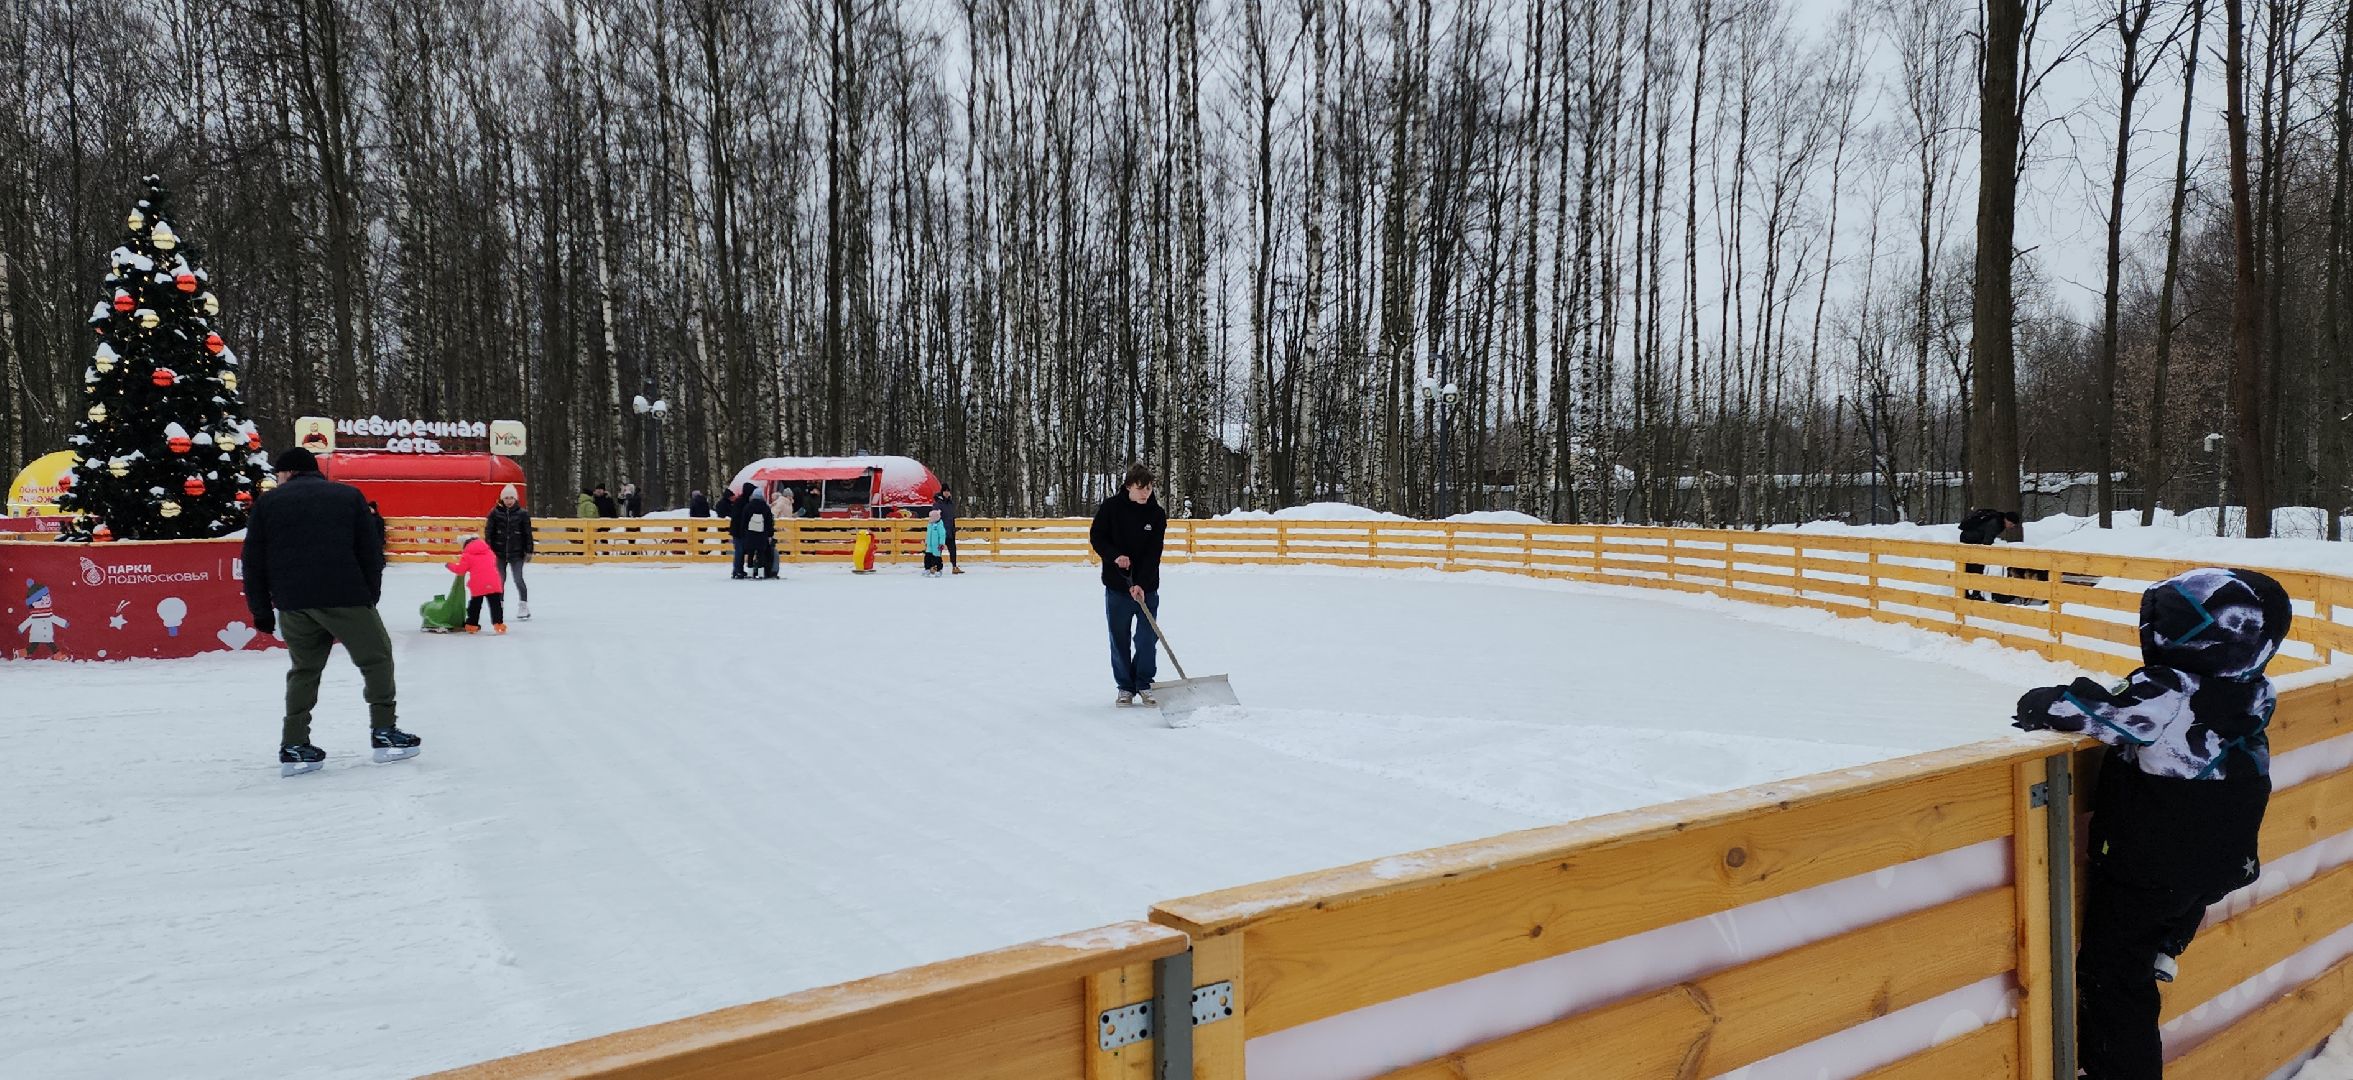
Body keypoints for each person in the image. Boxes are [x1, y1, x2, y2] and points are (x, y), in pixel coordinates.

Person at [2012, 568, 2290, 1080]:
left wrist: (2040, 703)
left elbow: (2098, 713)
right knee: (2180, 902)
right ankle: (2166, 945)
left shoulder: (2169, 690)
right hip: (2225, 853)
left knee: (2113, 975)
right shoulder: (2253, 689)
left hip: (2154, 859)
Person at [241, 447, 421, 777]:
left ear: (287, 473)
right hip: (345, 595)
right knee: (376, 658)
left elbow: (253, 561)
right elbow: (370, 551)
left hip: (293, 602)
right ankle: (384, 730)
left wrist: (261, 609)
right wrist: (370, 594)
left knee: (304, 670)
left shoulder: (268, 503)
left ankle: (294, 743)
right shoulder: (348, 496)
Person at [1089, 464, 1167, 707]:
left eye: (1149, 488)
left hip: (1147, 588)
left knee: (1146, 638)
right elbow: (1097, 537)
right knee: (1119, 638)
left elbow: (1154, 553)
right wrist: (1115, 556)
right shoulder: (1111, 508)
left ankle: (1144, 683)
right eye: (1140, 488)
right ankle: (1125, 686)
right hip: (1117, 586)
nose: (1145, 493)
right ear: (1128, 487)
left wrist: (1141, 583)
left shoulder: (1156, 514)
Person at [484, 484, 533, 620]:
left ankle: (523, 605)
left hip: (517, 553)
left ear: (515, 499)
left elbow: (527, 534)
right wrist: (488, 549)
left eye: (511, 498)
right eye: (506, 498)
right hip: (498, 553)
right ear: (502, 499)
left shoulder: (522, 514)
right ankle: (499, 605)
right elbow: (489, 532)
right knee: (499, 580)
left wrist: (529, 551)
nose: (509, 501)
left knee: (518, 579)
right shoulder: (494, 513)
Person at [1958, 508, 2023, 603]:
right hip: (1970, 542)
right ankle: (1972, 594)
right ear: (2006, 519)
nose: (2012, 526)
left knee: (1971, 568)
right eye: (2011, 524)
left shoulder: (1998, 520)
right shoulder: (1995, 524)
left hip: (1970, 541)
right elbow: (1987, 541)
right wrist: (1987, 554)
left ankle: (1969, 593)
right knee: (1976, 568)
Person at [448, 535, 507, 634]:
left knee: (475, 605)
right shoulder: (488, 551)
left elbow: (460, 570)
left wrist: (449, 565)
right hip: (493, 581)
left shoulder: (467, 555)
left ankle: (472, 625)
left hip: (478, 583)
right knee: (495, 604)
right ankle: (499, 625)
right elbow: (490, 562)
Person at [729, 482, 775, 580]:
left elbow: (743, 521)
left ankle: (748, 572)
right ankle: (761, 573)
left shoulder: (747, 506)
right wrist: (770, 534)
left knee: (749, 553)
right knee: (760, 554)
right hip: (762, 535)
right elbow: (769, 522)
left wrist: (743, 532)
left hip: (750, 534)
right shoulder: (766, 507)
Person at [933, 487, 963, 574]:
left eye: (948, 491)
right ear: (942, 492)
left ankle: (954, 567)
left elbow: (952, 517)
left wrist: (953, 528)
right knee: (938, 549)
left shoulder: (951, 503)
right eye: (945, 491)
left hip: (950, 531)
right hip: (941, 531)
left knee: (953, 549)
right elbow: (935, 517)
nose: (946, 493)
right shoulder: (938, 504)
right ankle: (935, 566)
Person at [923, 509, 947, 577]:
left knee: (937, 558)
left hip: (937, 546)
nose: (929, 518)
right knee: (927, 557)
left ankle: (939, 569)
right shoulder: (930, 524)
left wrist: (941, 543)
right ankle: (927, 569)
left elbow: (942, 535)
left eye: (931, 517)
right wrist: (926, 542)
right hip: (929, 545)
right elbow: (928, 534)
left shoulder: (939, 525)